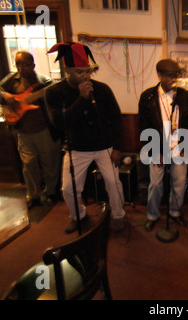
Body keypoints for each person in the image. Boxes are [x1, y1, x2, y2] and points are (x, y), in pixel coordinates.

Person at [44, 42, 126, 234]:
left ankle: (119, 214)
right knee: (69, 188)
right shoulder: (54, 93)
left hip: (103, 145)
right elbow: (60, 123)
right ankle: (78, 215)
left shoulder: (102, 89)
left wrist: (118, 147)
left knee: (113, 182)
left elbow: (116, 118)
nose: (86, 76)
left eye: (87, 71)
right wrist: (81, 99)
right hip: (76, 148)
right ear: (67, 70)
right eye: (79, 72)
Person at [0, 51, 61, 209]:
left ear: (33, 65)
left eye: (25, 64)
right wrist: (4, 95)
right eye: (18, 65)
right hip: (23, 131)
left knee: (50, 162)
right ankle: (33, 195)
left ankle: (51, 192)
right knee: (28, 164)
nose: (21, 68)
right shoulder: (10, 81)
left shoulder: (44, 82)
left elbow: (56, 97)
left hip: (44, 129)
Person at [138, 59, 188, 231]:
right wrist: (153, 150)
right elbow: (143, 126)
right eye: (170, 76)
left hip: (180, 148)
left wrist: (186, 146)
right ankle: (152, 214)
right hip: (157, 148)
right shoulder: (148, 97)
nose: (174, 79)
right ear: (159, 75)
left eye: (176, 76)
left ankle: (174, 212)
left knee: (179, 184)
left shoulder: (185, 96)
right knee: (155, 184)